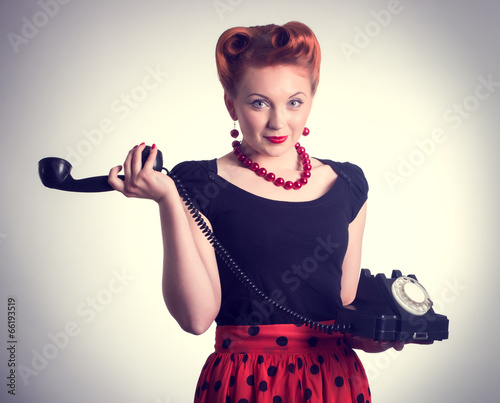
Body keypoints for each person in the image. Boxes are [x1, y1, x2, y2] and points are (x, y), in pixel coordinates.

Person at [109, 21, 402, 403]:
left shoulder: (348, 183)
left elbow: (342, 304)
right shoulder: (198, 183)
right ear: (231, 104)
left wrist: (379, 333)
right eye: (259, 102)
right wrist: (168, 200)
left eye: (294, 102)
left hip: (333, 381)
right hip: (245, 382)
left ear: (312, 98)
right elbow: (196, 319)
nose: (279, 122)